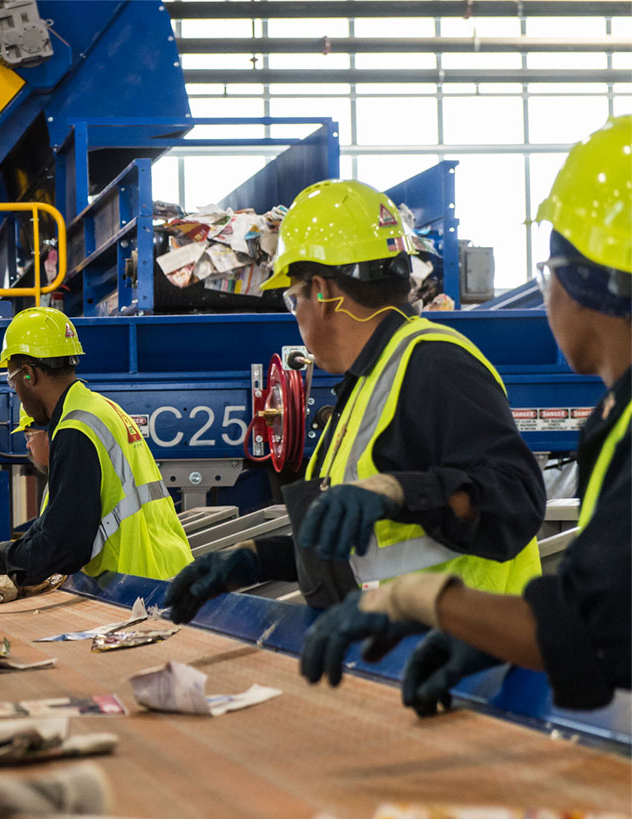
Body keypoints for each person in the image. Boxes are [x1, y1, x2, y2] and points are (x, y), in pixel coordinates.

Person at [298, 116, 631, 714]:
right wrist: (485, 633)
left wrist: (429, 602)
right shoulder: (618, 416)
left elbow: (592, 626)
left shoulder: (433, 365)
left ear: (592, 282)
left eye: (549, 273)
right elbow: (610, 607)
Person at [166, 180, 545, 624]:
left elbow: (516, 498)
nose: (296, 315)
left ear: (323, 293)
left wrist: (399, 491)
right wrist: (255, 559)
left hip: (462, 652)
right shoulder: (370, 381)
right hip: (391, 649)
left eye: (293, 299)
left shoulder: (433, 364)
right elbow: (366, 551)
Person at [0, 307, 192, 583]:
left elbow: (64, 547)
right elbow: (57, 524)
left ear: (28, 374)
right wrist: (15, 560)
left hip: (140, 584)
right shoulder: (100, 409)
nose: (17, 393)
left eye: (12, 381)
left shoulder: (75, 429)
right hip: (165, 573)